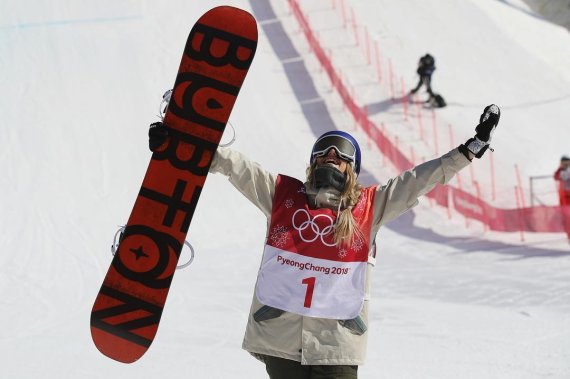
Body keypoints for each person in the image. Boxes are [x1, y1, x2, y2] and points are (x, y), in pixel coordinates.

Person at [149, 104, 501, 378]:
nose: (331, 157)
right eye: (324, 152)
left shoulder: (369, 207)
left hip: (337, 342)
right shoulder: (282, 196)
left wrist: (468, 150)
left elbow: (417, 180)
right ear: (312, 162)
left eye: (341, 155)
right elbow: (235, 166)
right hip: (281, 337)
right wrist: (180, 143)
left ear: (352, 169)